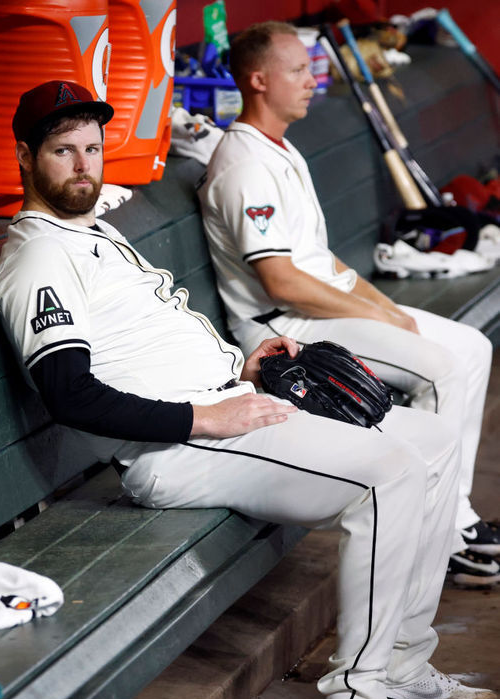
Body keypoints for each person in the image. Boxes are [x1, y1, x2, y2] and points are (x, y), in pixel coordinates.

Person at [0, 80, 496, 699]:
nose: (84, 165)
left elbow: (145, 348)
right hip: (174, 448)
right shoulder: (38, 258)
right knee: (390, 475)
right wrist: (209, 413)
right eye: (62, 151)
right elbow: (71, 396)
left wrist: (244, 366)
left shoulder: (90, 232)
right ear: (25, 156)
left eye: (91, 148)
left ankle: (402, 667)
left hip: (225, 408)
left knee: (431, 438)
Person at [197, 21, 499, 587]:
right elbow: (281, 281)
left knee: (472, 345)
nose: (312, 80)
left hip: (320, 309)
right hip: (284, 328)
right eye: (297, 70)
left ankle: (450, 512)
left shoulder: (279, 148)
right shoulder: (244, 165)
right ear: (258, 80)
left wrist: (385, 306)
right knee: (440, 370)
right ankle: (443, 530)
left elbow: (324, 261)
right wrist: (379, 316)